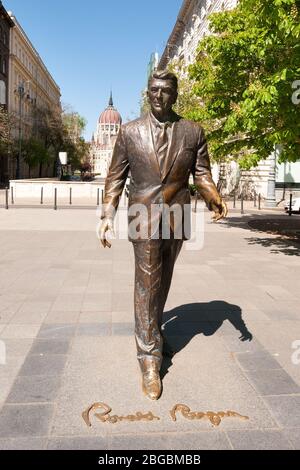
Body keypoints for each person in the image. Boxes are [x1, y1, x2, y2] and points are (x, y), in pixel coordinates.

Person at [99, 70, 227, 400]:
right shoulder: (129, 132)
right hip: (142, 217)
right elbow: (115, 176)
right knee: (147, 283)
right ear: (147, 93)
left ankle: (152, 330)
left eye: (166, 91)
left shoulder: (192, 131)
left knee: (163, 281)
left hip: (177, 217)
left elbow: (202, 173)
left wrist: (213, 196)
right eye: (154, 90)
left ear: (175, 94)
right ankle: (149, 361)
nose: (159, 96)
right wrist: (106, 214)